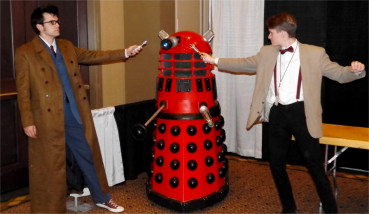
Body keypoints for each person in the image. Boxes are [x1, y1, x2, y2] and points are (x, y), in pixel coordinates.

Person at [201, 12, 365, 213]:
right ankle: (289, 208)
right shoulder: (267, 53)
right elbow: (242, 63)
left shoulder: (315, 53)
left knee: (314, 165)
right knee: (276, 165)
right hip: (277, 114)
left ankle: (331, 210)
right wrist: (214, 60)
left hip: (302, 114)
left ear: (282, 33)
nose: (268, 37)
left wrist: (355, 70)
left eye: (271, 33)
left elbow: (339, 74)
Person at [15, 5, 144, 213]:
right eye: (52, 22)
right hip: (46, 119)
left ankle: (102, 197)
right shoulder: (25, 53)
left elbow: (93, 56)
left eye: (57, 21)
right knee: (50, 166)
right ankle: (50, 208)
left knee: (89, 157)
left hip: (74, 114)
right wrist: (27, 120)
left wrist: (125, 52)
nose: (57, 25)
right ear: (39, 26)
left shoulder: (66, 46)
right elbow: (23, 90)